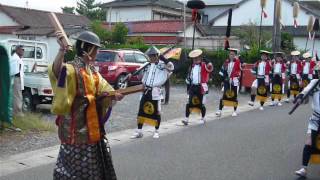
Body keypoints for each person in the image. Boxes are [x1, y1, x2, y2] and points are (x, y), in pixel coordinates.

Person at [49, 31, 124, 180]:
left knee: (94, 167)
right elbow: (58, 72)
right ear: (87, 49)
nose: (97, 52)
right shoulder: (71, 69)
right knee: (73, 169)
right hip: (74, 127)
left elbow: (106, 90)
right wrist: (62, 51)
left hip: (92, 126)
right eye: (96, 49)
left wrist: (113, 96)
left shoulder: (93, 72)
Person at [131, 46, 174, 139]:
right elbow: (141, 77)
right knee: (141, 111)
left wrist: (165, 59)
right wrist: (138, 73)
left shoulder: (162, 65)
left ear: (157, 56)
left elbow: (171, 67)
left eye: (153, 56)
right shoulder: (147, 64)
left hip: (155, 91)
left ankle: (156, 131)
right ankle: (139, 131)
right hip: (145, 90)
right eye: (150, 56)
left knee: (157, 112)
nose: (151, 58)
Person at [294, 77, 320, 178]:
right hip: (316, 117)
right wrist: (300, 97)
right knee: (309, 142)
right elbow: (305, 92)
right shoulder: (314, 83)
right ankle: (303, 168)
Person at [182, 49, 213, 125]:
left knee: (201, 104)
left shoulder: (204, 65)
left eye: (197, 58)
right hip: (193, 87)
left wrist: (205, 60)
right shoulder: (191, 67)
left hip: (201, 87)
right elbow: (189, 78)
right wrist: (188, 88)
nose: (195, 59)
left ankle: (203, 118)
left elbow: (210, 67)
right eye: (194, 58)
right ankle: (186, 119)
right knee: (189, 103)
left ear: (200, 58)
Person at [216, 48, 241, 117]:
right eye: (230, 54)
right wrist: (222, 81)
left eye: (233, 54)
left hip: (235, 81)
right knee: (224, 95)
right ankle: (219, 110)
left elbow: (240, 70)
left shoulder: (238, 62)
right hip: (227, 81)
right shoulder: (226, 62)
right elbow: (222, 72)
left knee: (234, 96)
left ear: (235, 55)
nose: (231, 55)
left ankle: (234, 111)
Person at [11, 45, 24, 116]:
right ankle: (17, 113)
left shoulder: (18, 58)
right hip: (16, 78)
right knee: (17, 96)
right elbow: (14, 71)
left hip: (18, 79)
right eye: (22, 49)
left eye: (23, 50)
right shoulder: (15, 58)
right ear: (17, 50)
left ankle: (16, 111)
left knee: (18, 95)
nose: (23, 51)